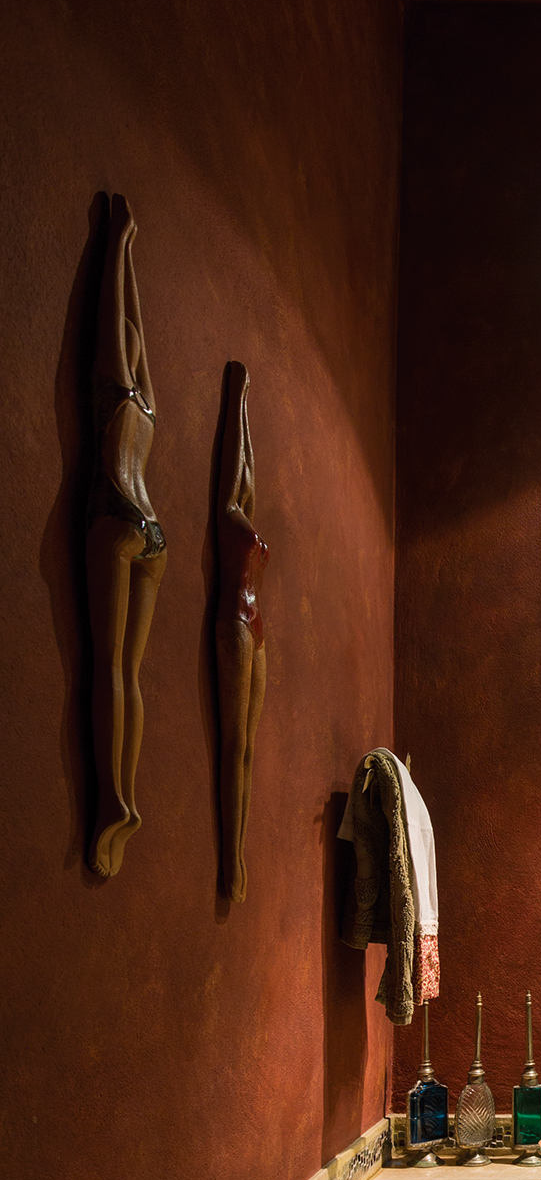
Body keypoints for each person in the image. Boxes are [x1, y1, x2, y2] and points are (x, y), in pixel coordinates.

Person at [86, 194, 167, 878]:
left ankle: (113, 798)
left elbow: (115, 317)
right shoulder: (147, 406)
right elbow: (134, 325)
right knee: (131, 672)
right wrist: (132, 249)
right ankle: (128, 799)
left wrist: (118, 242)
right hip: (154, 528)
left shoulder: (115, 390)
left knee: (107, 665)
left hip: (117, 514)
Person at [215, 361, 268, 903]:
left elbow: (249, 473)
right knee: (234, 745)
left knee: (250, 746)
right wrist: (239, 396)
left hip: (256, 625)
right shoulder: (228, 513)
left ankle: (241, 852)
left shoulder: (244, 513)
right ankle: (230, 859)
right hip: (233, 620)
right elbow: (236, 473)